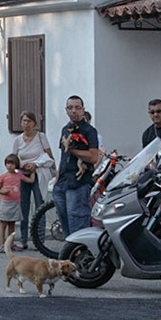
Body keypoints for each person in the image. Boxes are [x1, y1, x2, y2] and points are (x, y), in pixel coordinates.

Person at [53, 96, 101, 240]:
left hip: (79, 183)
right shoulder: (65, 130)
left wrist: (72, 150)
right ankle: (70, 256)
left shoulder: (89, 131)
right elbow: (63, 156)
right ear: (66, 110)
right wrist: (56, 179)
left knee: (78, 225)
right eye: (70, 108)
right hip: (62, 182)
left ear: (83, 110)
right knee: (66, 226)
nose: (74, 111)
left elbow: (93, 157)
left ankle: (81, 258)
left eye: (77, 107)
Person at [11, 110, 54, 234]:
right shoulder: (17, 140)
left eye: (29, 121)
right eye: (24, 121)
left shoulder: (41, 137)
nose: (26, 124)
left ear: (34, 123)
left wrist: (35, 164)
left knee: (40, 205)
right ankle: (23, 238)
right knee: (23, 206)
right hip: (23, 174)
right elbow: (13, 159)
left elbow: (49, 156)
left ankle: (39, 237)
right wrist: (21, 165)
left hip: (38, 173)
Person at [0, 154, 24, 253]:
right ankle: (2, 244)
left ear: (16, 165)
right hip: (5, 203)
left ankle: (11, 243)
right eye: (8, 163)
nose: (9, 166)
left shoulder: (19, 175)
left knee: (12, 224)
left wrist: (33, 170)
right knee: (3, 224)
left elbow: (30, 180)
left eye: (12, 164)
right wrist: (3, 191)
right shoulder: (2, 177)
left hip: (15, 203)